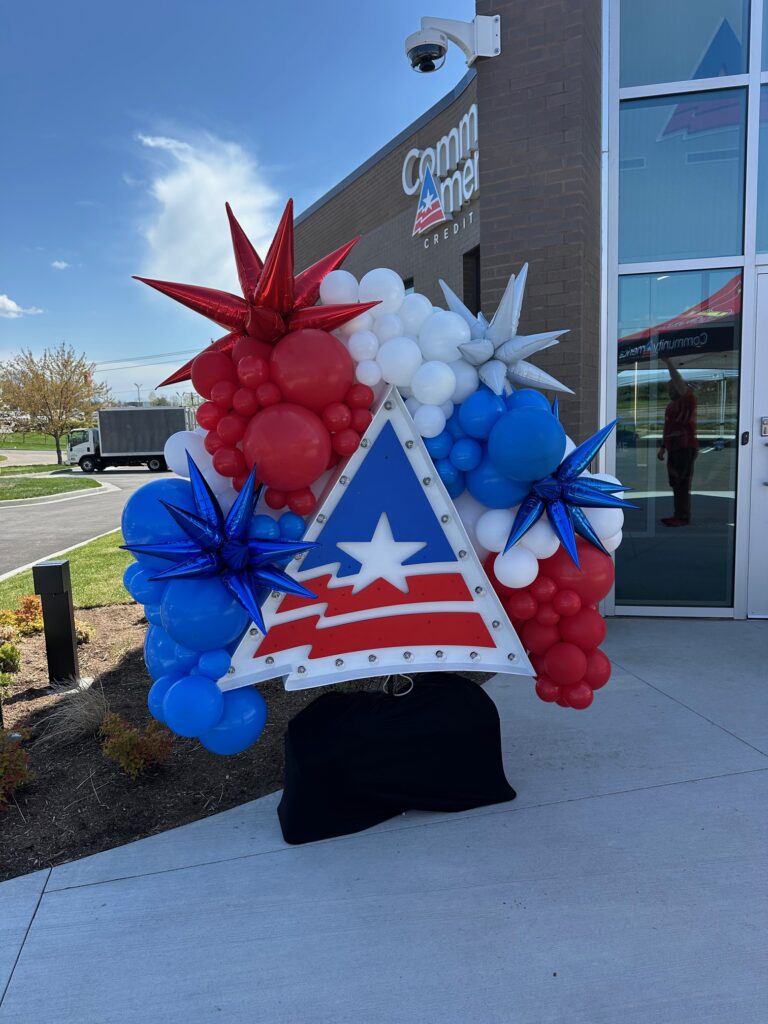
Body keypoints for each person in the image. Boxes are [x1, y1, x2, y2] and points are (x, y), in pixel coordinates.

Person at [657, 356, 698, 526]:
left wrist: (668, 363)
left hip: (685, 447)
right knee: (675, 481)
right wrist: (663, 448)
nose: (669, 391)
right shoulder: (671, 406)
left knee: (681, 482)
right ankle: (679, 514)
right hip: (674, 449)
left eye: (671, 388)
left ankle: (682, 516)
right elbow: (667, 429)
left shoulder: (687, 400)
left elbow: (679, 382)